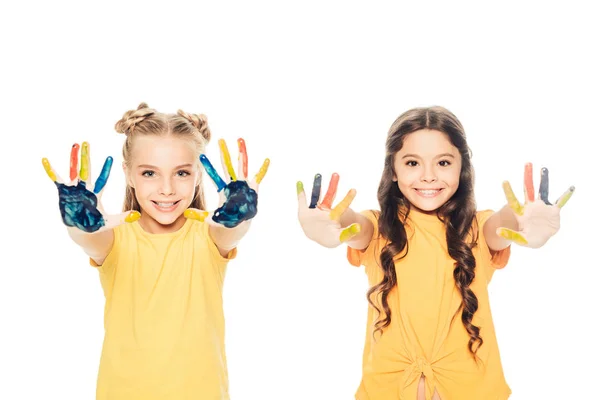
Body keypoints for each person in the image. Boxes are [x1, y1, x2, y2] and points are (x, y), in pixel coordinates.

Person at [297, 106, 574, 400]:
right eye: (412, 163)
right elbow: (355, 225)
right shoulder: (379, 229)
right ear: (392, 169)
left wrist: (522, 220)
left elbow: (501, 225)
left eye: (443, 162)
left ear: (461, 168)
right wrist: (332, 221)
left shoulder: (478, 229)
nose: (428, 177)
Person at [42, 103, 269, 400]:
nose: (166, 189)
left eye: (182, 173)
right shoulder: (114, 239)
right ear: (129, 174)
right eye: (150, 173)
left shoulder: (208, 236)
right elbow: (88, 239)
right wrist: (80, 223)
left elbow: (230, 233)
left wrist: (238, 215)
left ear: (199, 174)